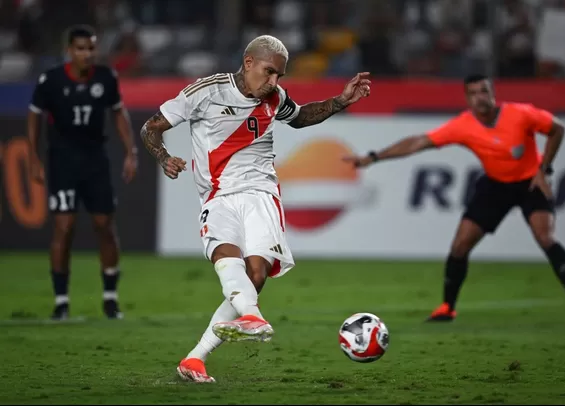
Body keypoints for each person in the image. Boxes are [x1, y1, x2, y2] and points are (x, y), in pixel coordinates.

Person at [140, 35, 371, 383]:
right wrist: (163, 157)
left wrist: (340, 101)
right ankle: (224, 336)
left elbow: (301, 116)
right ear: (248, 63)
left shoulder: (275, 98)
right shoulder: (205, 92)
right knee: (225, 256)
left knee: (257, 275)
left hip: (261, 193)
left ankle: (206, 350)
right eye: (269, 72)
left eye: (279, 75)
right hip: (216, 195)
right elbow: (151, 128)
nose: (274, 82)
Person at [343, 74, 565, 326]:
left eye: (483, 91)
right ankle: (447, 308)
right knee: (460, 245)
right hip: (495, 186)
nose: (479, 98)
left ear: (493, 93)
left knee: (546, 238)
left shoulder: (521, 114)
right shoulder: (463, 125)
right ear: (467, 98)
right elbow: (418, 142)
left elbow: (557, 129)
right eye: (473, 93)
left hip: (531, 182)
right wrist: (373, 157)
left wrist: (544, 170)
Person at [27, 25, 138, 321]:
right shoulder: (50, 80)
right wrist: (33, 157)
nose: (86, 54)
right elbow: (34, 116)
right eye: (80, 49)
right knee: (64, 227)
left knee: (105, 226)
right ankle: (61, 301)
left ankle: (110, 299)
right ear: (69, 51)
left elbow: (117, 112)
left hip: (95, 161)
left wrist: (131, 151)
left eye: (90, 48)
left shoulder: (105, 77)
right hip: (62, 162)